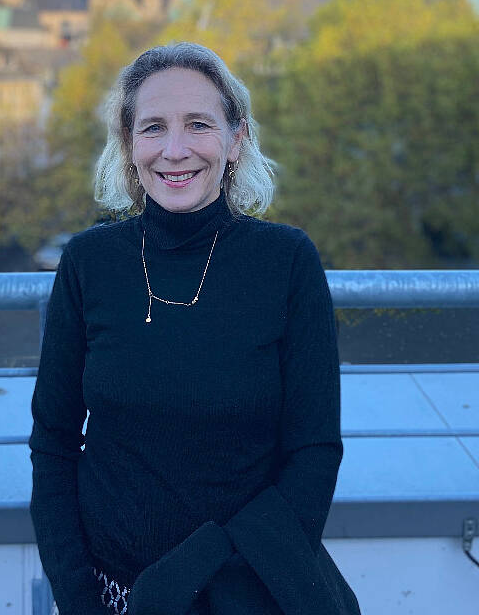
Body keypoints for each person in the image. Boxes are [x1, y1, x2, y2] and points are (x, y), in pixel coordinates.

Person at [29, 42, 361, 615]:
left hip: (248, 597)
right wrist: (81, 602)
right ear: (130, 144)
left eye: (199, 124)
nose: (175, 149)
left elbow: (314, 451)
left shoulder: (286, 261)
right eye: (153, 127)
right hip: (113, 599)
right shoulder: (88, 262)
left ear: (236, 139)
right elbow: (53, 444)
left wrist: (206, 579)